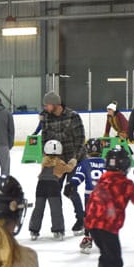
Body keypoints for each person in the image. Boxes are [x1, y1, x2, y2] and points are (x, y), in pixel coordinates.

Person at [40, 91, 86, 235]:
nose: (45, 108)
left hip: (73, 159)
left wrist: (75, 159)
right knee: (54, 191)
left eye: (47, 105)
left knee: (71, 189)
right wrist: (46, 157)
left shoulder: (73, 116)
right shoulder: (47, 118)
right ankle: (58, 224)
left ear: (55, 104)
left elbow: (80, 140)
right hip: (57, 161)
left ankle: (81, 219)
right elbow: (44, 139)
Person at [28, 139, 75, 241]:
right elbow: (69, 169)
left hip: (41, 185)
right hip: (53, 186)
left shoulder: (44, 161)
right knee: (56, 208)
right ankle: (58, 230)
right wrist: (72, 162)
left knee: (38, 208)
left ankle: (34, 230)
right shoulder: (59, 163)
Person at [69, 138, 107, 253]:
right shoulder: (106, 162)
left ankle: (88, 238)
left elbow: (77, 178)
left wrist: (71, 185)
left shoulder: (84, 163)